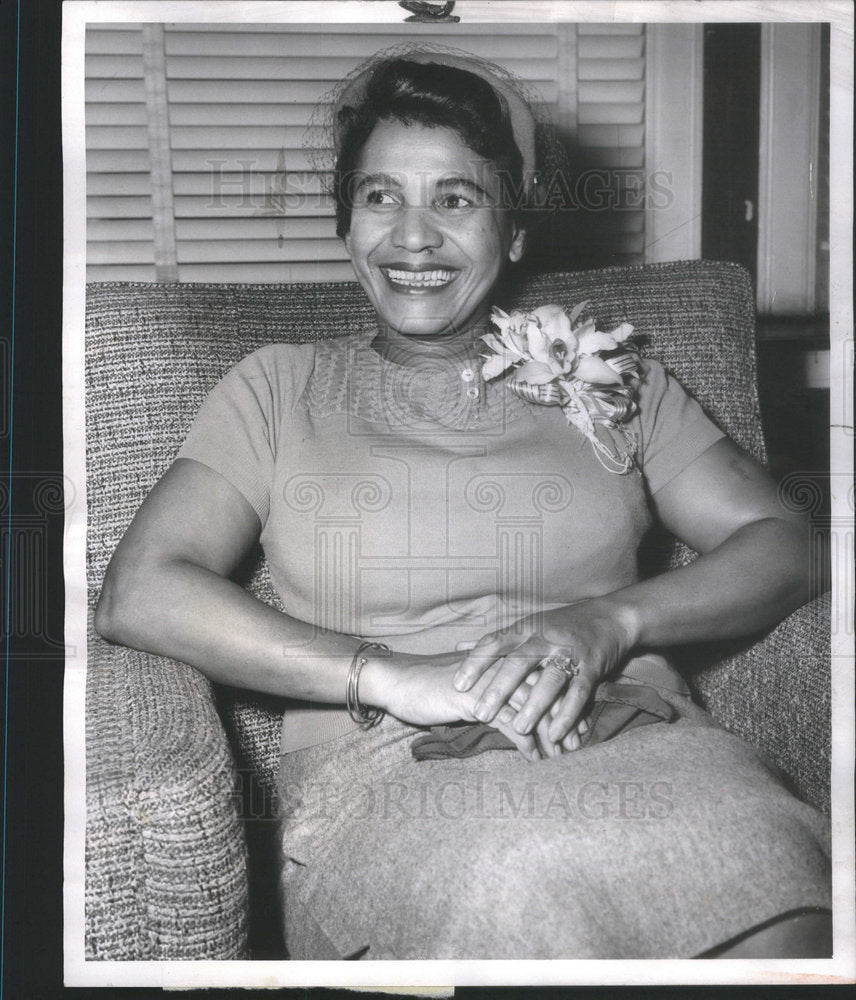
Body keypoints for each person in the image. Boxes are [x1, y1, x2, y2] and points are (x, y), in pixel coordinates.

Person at [94, 48, 831, 960]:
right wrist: (393, 675)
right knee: (518, 884)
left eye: (456, 198)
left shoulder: (610, 375)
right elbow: (142, 589)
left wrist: (609, 622)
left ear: (513, 231)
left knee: (776, 874)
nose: (414, 237)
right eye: (379, 197)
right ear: (346, 221)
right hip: (387, 770)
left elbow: (789, 545)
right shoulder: (278, 389)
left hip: (640, 741)